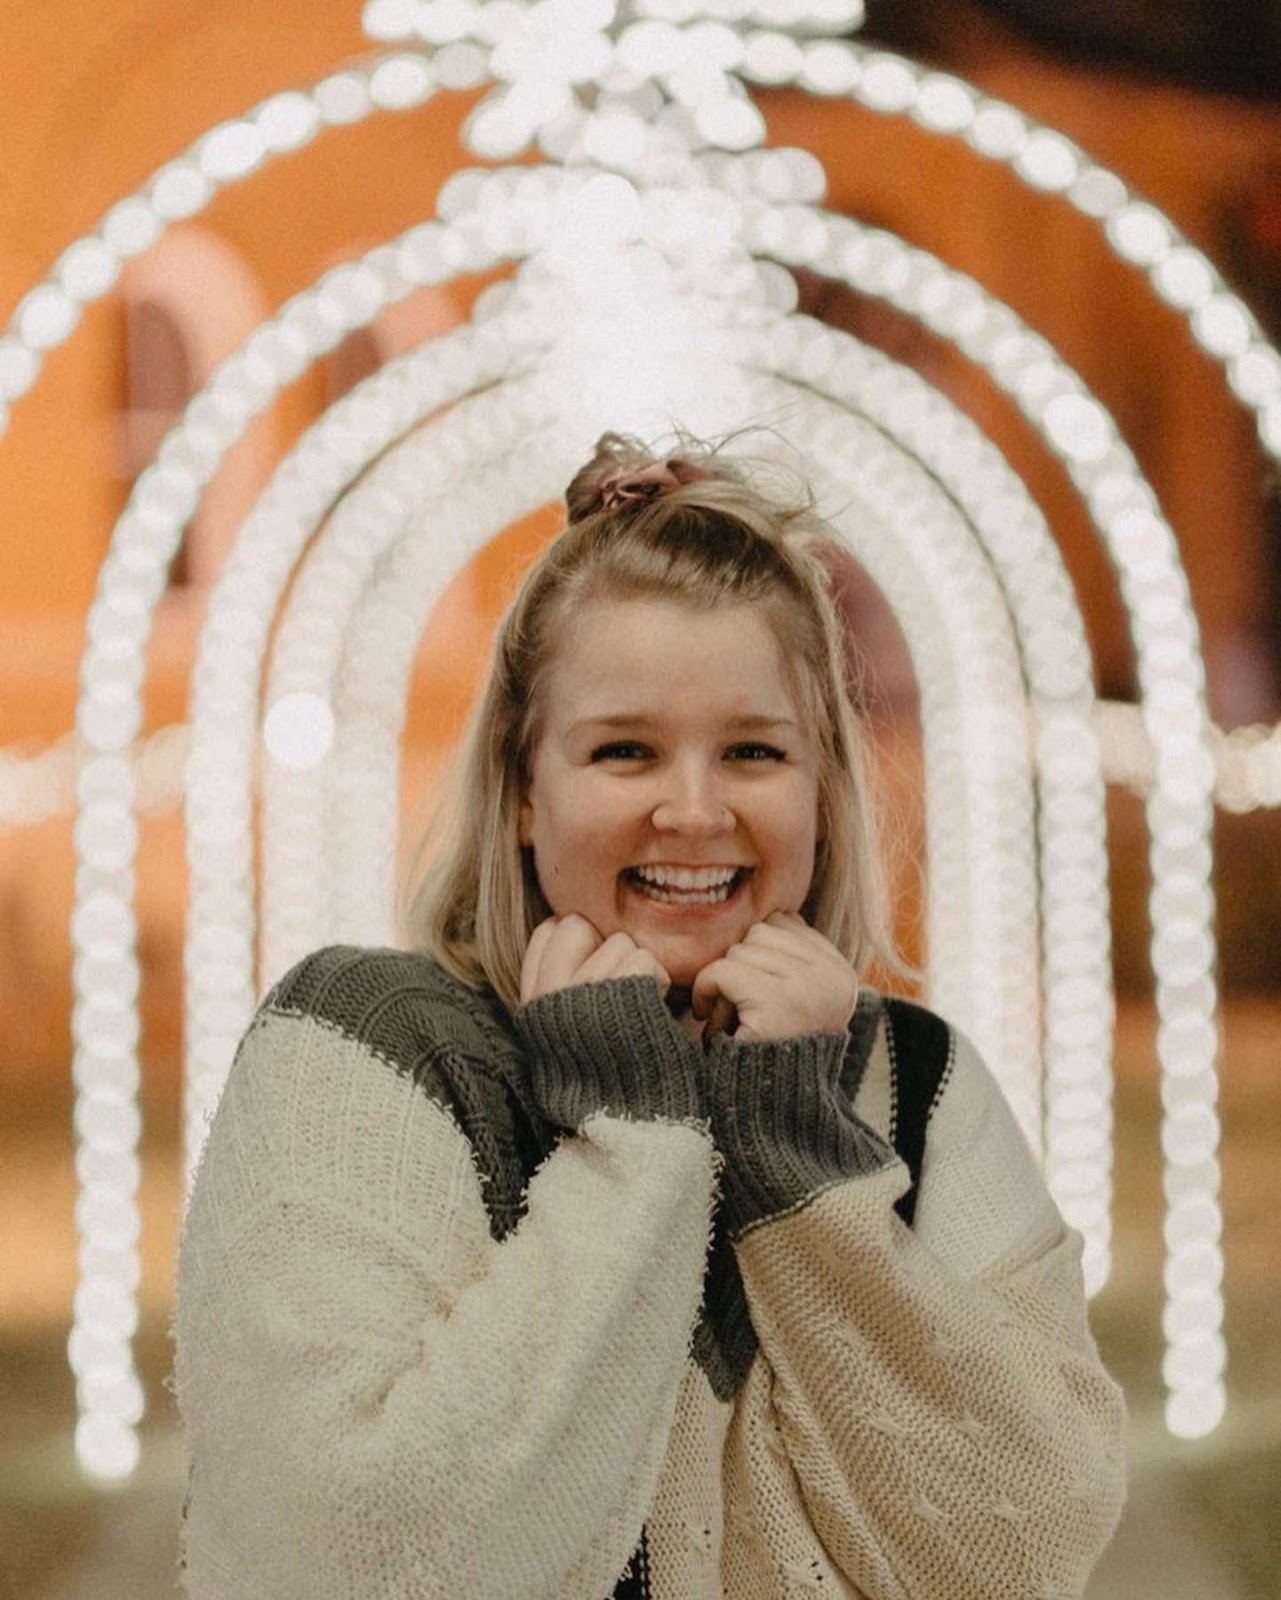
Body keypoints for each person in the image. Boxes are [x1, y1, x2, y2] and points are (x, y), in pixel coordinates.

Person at [173, 432, 1127, 1600]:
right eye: (624, 751)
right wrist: (630, 1139)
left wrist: (800, 1156)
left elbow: (1027, 1551)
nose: (693, 810)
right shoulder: (369, 1046)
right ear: (525, 790)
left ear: (822, 788)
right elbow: (358, 1562)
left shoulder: (918, 1083)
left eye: (754, 752)